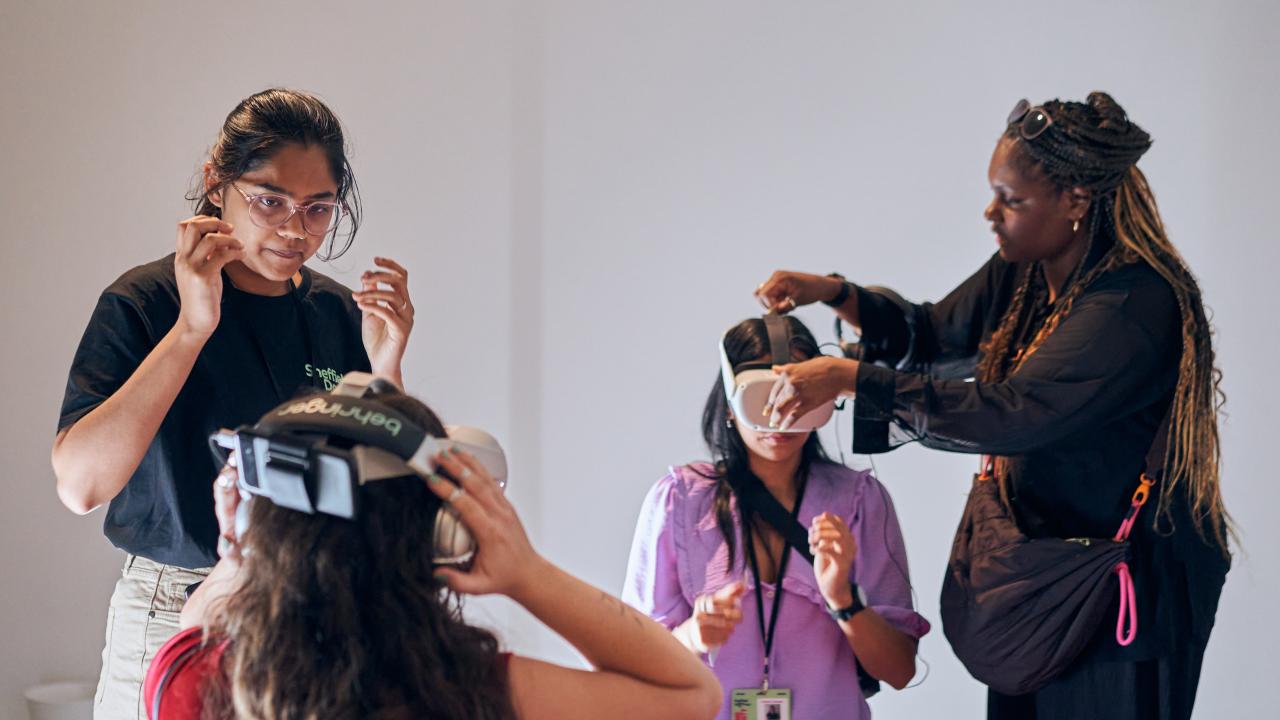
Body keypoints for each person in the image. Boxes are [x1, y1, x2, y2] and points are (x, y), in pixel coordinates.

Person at [754, 92, 1231, 719]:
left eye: (1012, 200)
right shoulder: (1031, 270)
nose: (992, 212)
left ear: (1076, 202)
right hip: (1036, 582)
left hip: (1121, 598)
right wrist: (834, 292)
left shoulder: (1132, 306)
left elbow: (1011, 413)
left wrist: (849, 378)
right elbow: (932, 335)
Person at [51, 88, 416, 718]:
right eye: (270, 201)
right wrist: (193, 327)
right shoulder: (144, 302)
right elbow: (81, 487)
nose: (296, 229)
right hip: (174, 608)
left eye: (318, 208)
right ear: (216, 184)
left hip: (304, 608)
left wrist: (386, 366)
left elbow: (375, 489)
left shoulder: (331, 310)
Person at [145, 388, 723, 720]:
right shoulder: (473, 693)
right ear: (443, 535)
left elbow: (204, 611)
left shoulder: (187, 679)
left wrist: (239, 545)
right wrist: (527, 574)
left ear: (251, 526)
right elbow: (692, 695)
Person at [622, 316, 928, 720]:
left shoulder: (859, 501)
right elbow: (632, 660)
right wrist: (693, 635)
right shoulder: (679, 501)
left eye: (797, 395)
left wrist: (843, 599)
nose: (779, 415)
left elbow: (900, 670)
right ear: (730, 402)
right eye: (761, 395)